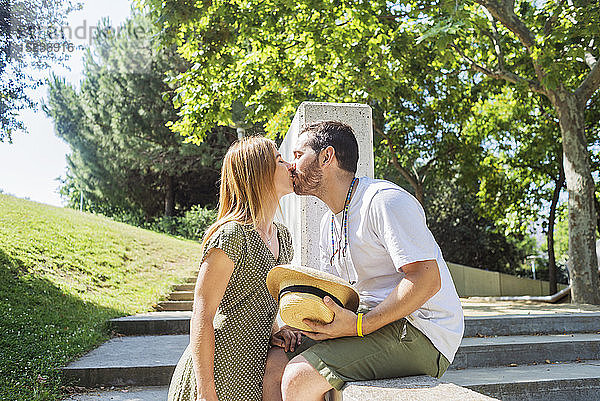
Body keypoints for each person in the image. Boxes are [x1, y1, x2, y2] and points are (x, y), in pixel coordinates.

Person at [265, 121, 464, 401]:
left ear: (326, 157)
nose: (291, 166)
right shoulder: (328, 223)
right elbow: (338, 295)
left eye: (298, 156)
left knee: (299, 377)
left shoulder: (384, 201)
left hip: (421, 331)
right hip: (369, 323)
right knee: (277, 361)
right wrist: (302, 327)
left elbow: (427, 279)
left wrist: (360, 326)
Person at [167, 136, 297, 401]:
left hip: (254, 370)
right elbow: (201, 317)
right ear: (258, 174)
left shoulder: (283, 237)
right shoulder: (231, 236)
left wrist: (276, 331)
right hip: (219, 373)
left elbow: (256, 302)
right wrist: (205, 394)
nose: (290, 166)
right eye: (280, 160)